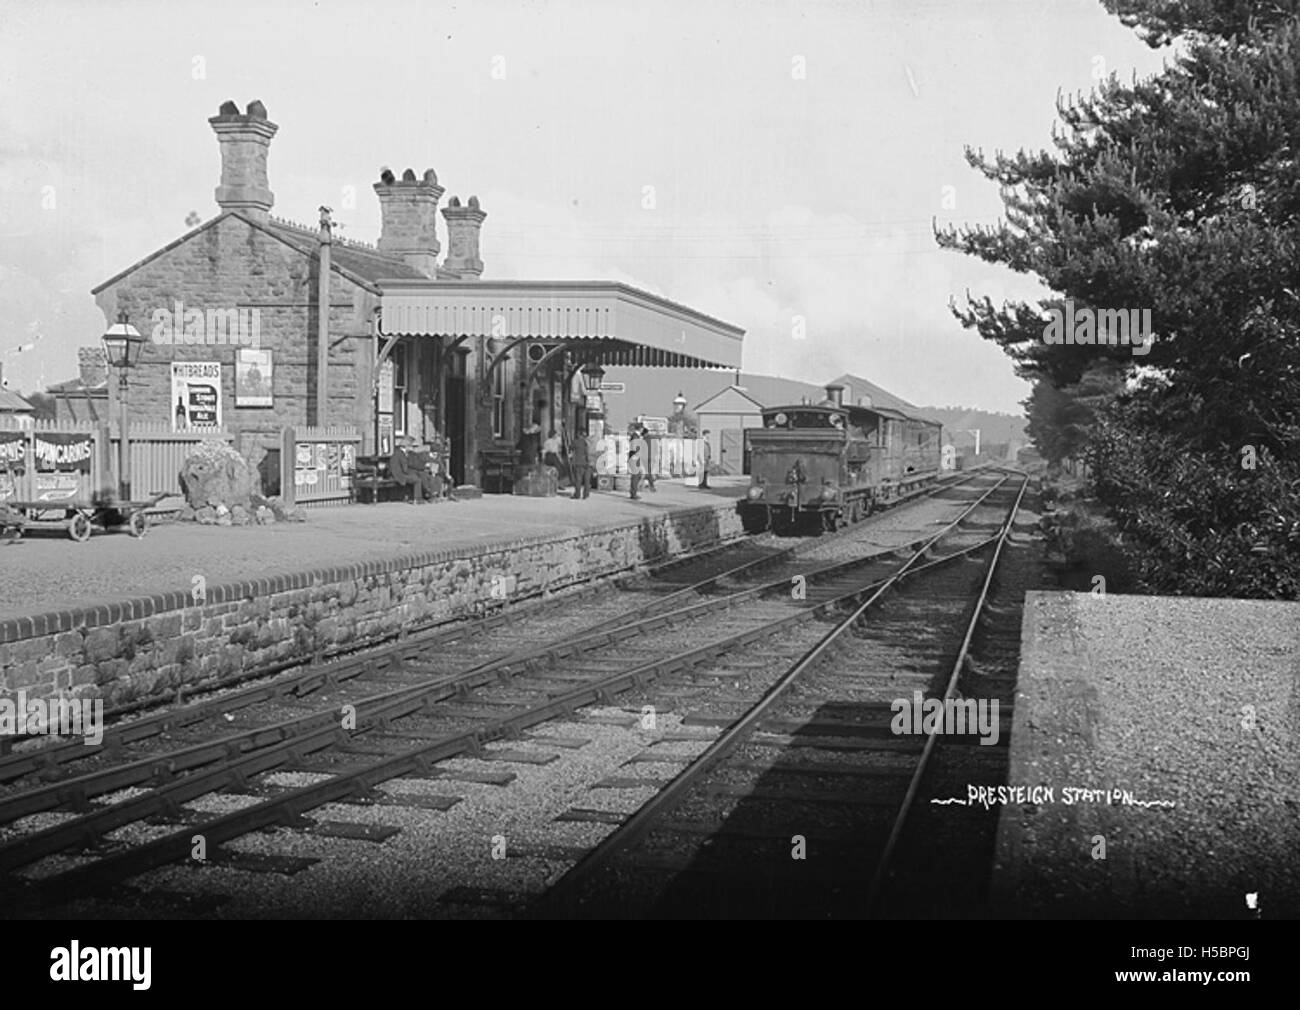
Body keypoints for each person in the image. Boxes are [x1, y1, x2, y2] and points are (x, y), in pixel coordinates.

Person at [390, 435, 435, 503]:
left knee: (421, 475)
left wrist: (419, 469)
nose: (412, 448)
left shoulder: (405, 453)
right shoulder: (399, 453)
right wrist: (414, 472)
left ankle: (428, 494)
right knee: (417, 480)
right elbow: (404, 469)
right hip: (399, 474)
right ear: (406, 446)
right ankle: (417, 499)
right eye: (410, 446)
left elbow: (411, 464)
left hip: (403, 472)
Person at [570, 430, 591, 500]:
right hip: (588, 463)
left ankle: (577, 494)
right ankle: (586, 494)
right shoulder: (587, 442)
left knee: (578, 479)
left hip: (579, 463)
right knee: (587, 480)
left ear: (579, 435)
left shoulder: (577, 442)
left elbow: (570, 447)